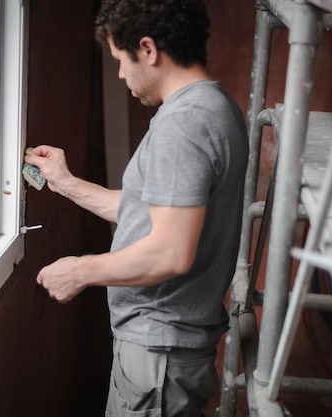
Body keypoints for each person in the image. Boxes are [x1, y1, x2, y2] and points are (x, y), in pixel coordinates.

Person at [24, 0, 248, 415]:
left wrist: (79, 271)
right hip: (166, 349)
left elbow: (169, 250)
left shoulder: (184, 124)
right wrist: (68, 185)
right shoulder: (214, 107)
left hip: (158, 352)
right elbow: (151, 214)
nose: (121, 73)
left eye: (120, 60)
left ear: (148, 50)